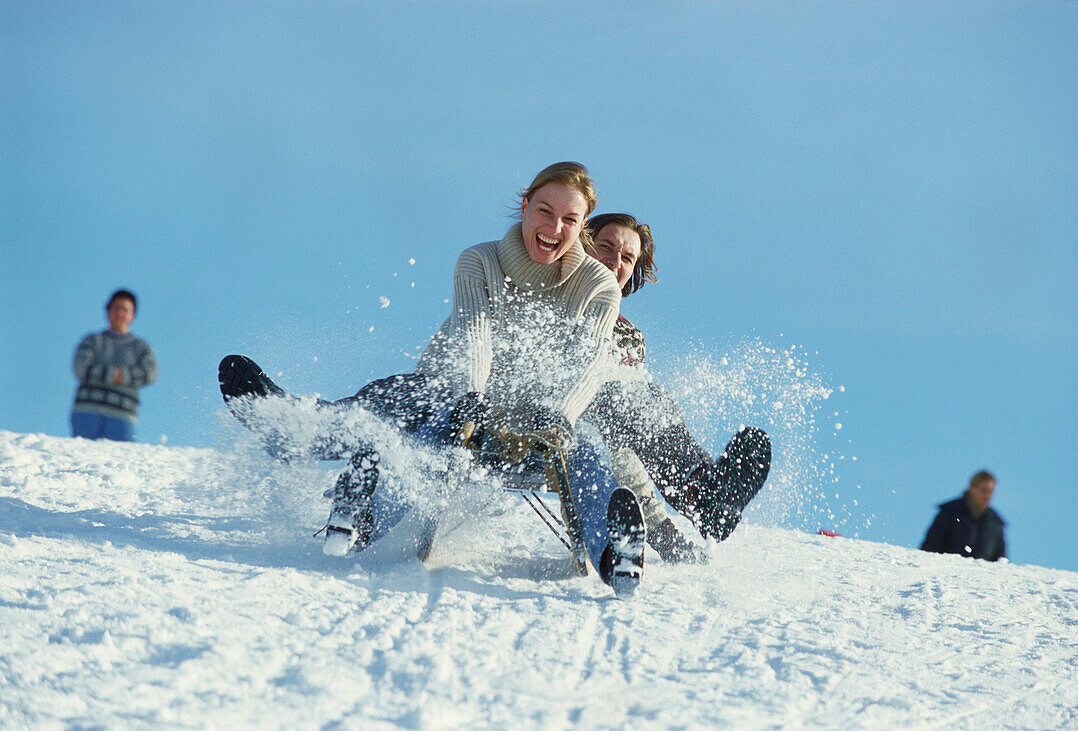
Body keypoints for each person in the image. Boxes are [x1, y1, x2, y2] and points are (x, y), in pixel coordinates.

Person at [220, 163, 648, 597]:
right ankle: (342, 489)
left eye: (569, 220)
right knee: (420, 413)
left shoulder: (597, 285)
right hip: (456, 391)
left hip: (540, 419)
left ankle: (615, 554)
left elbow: (590, 361)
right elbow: (474, 333)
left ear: (581, 229)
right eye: (544, 211)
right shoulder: (480, 261)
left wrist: (559, 415)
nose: (554, 227)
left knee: (587, 445)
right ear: (524, 207)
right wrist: (471, 398)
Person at [580, 213, 771, 563]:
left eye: (627, 258)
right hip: (546, 420)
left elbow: (625, 446)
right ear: (582, 245)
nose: (614, 261)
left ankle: (706, 496)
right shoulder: (552, 295)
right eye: (605, 247)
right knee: (634, 399)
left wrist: (665, 536)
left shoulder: (628, 338)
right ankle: (700, 491)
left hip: (598, 431)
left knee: (644, 400)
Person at [71, 289, 158, 442]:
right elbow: (81, 369)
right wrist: (119, 375)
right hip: (87, 411)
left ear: (132, 315)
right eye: (116, 308)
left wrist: (104, 373)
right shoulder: (93, 341)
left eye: (125, 310)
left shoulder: (140, 347)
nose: (120, 313)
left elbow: (150, 374)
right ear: (108, 311)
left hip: (123, 415)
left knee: (120, 463)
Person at [920, 470, 1007, 562]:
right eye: (983, 490)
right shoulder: (950, 512)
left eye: (990, 491)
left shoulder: (995, 523)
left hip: (980, 575)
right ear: (972, 488)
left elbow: (1000, 562)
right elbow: (930, 549)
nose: (987, 495)